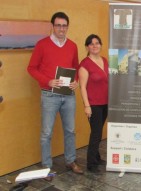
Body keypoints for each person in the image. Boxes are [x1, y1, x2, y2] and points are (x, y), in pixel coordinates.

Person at [27, 12, 83, 180]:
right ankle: (46, 167)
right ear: (52, 26)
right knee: (46, 133)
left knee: (70, 130)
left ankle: (70, 161)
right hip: (49, 95)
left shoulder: (72, 45)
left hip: (68, 95)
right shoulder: (42, 44)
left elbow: (76, 67)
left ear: (67, 27)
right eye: (58, 25)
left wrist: (77, 81)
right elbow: (31, 68)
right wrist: (47, 81)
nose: (61, 29)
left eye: (64, 25)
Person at [78, 34, 108, 173]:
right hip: (93, 104)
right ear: (87, 47)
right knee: (96, 133)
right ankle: (91, 163)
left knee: (98, 131)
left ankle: (96, 157)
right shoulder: (85, 64)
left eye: (97, 43)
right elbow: (82, 86)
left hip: (105, 103)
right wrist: (87, 105)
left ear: (100, 45)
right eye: (91, 43)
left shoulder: (105, 60)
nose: (95, 45)